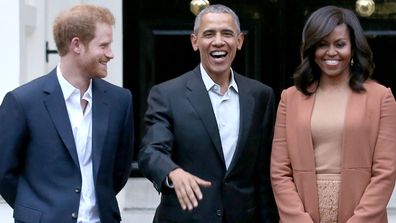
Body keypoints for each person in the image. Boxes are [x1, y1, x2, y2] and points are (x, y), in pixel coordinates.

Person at [137, 4, 279, 223]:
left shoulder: (261, 96)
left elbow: (263, 176)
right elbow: (151, 152)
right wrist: (173, 172)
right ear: (195, 42)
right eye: (209, 34)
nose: (219, 41)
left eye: (227, 34)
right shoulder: (167, 94)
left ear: (239, 41)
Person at [0, 4, 134, 223]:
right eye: (104, 45)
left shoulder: (120, 101)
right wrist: (36, 211)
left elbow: (119, 171)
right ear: (76, 45)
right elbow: (4, 173)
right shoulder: (22, 102)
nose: (111, 54)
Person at [271, 5, 396, 223]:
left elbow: (385, 171)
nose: (331, 52)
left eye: (340, 44)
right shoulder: (290, 98)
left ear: (354, 48)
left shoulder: (381, 97)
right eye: (322, 45)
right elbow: (280, 171)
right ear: (311, 49)